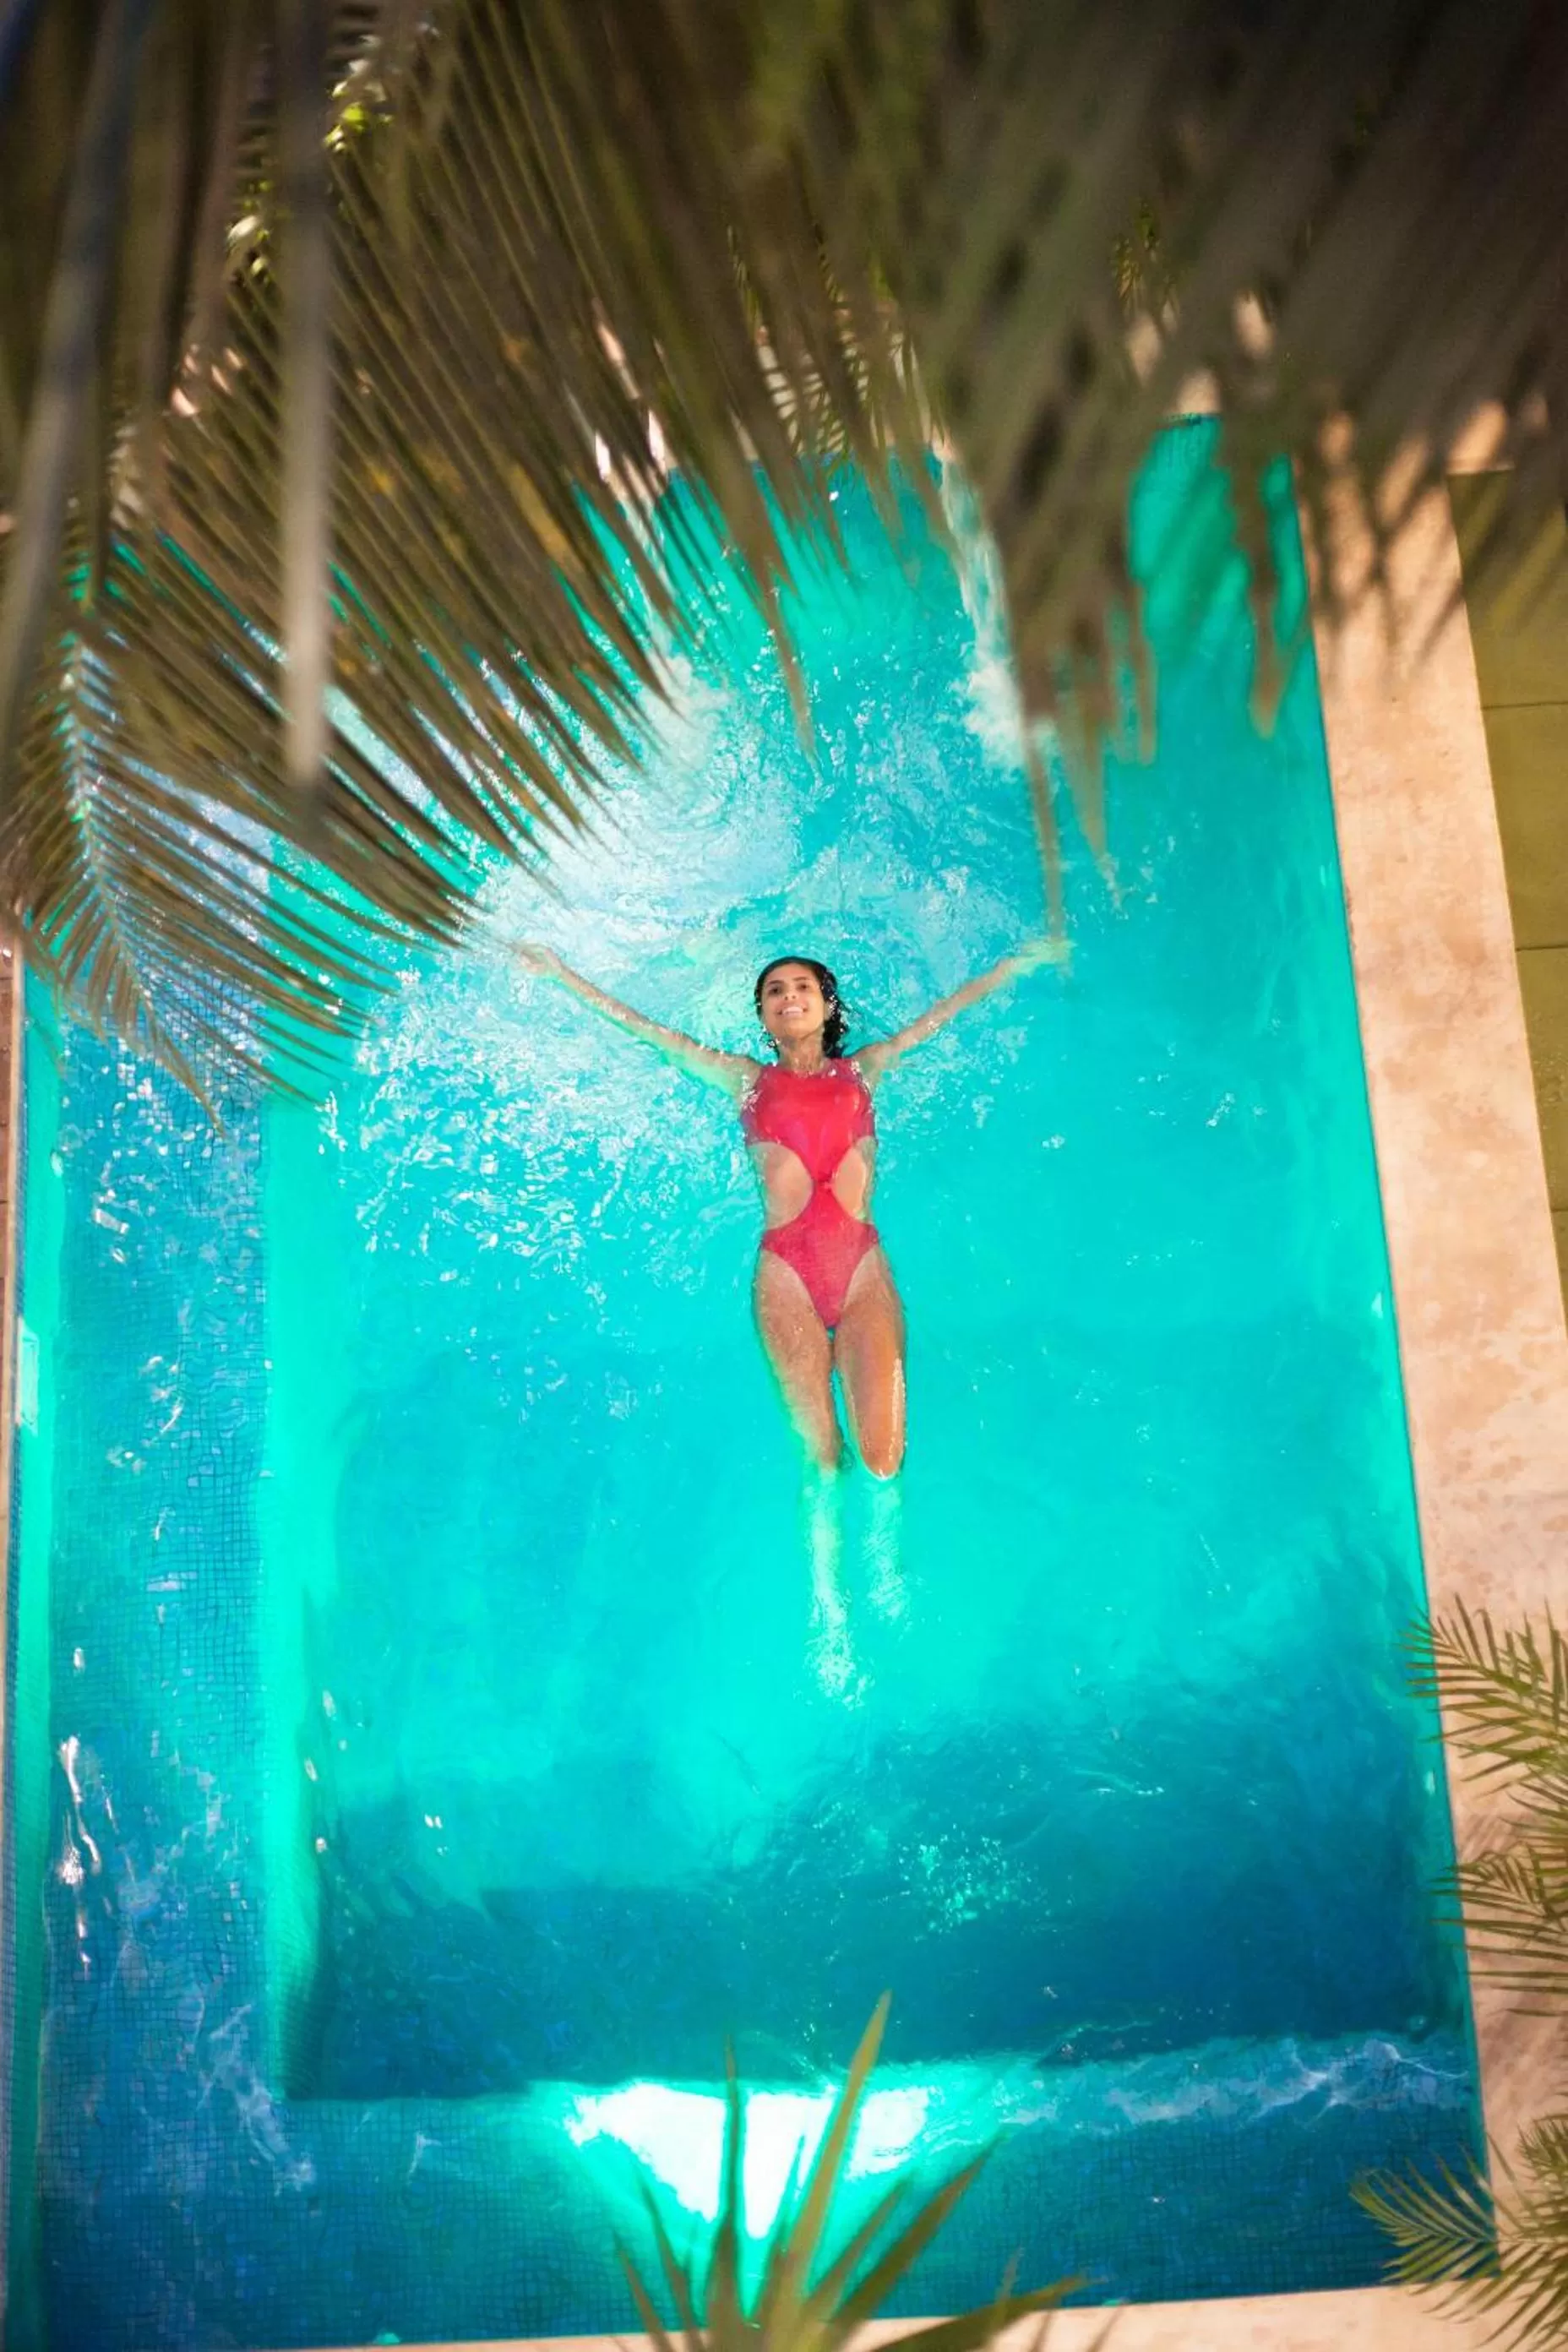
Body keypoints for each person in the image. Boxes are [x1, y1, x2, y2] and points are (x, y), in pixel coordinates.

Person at [509, 938, 1064, 1480]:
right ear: (764, 1016)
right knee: (822, 1457)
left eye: (802, 987)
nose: (788, 996)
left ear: (827, 1007)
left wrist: (1013, 967)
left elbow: (943, 1015)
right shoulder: (746, 1080)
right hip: (785, 1275)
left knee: (884, 1459)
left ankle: (887, 1554)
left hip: (861, 1269)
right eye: (775, 991)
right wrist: (561, 974)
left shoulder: (865, 1070)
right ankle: (825, 1567)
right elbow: (651, 1033)